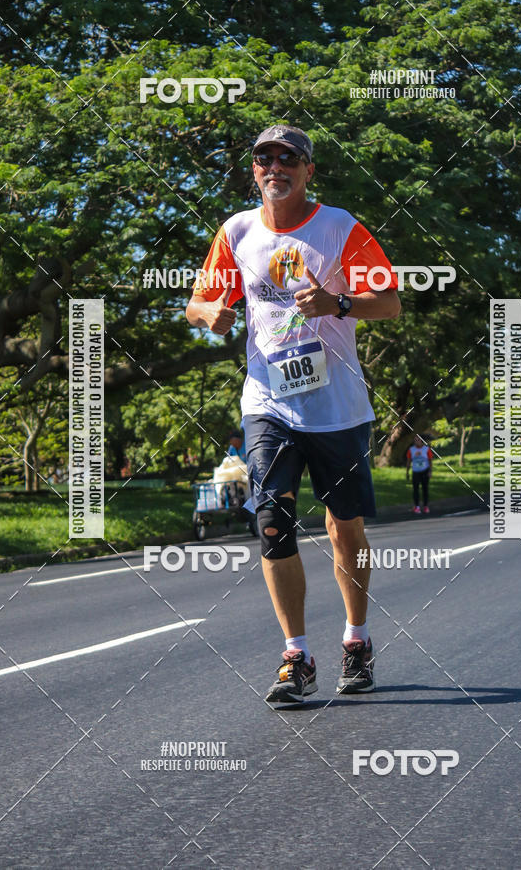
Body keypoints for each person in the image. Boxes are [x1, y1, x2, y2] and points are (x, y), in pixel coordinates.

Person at [186, 123, 401, 707]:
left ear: (309, 171)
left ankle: (355, 639)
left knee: (343, 528)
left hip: (337, 408)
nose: (274, 166)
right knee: (273, 523)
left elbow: (391, 302)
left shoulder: (341, 228)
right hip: (268, 403)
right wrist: (213, 317)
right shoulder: (237, 232)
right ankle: (295, 654)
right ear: (253, 169)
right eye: (263, 157)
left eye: (289, 157)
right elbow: (197, 302)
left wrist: (340, 303)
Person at [406, 434, 433, 514]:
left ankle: (425, 506)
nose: (416, 442)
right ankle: (417, 507)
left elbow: (430, 461)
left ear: (421, 441)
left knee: (425, 489)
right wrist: (407, 472)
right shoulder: (411, 450)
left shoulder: (426, 449)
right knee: (415, 490)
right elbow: (408, 461)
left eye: (418, 440)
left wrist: (430, 471)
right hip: (416, 472)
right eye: (415, 440)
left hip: (425, 471)